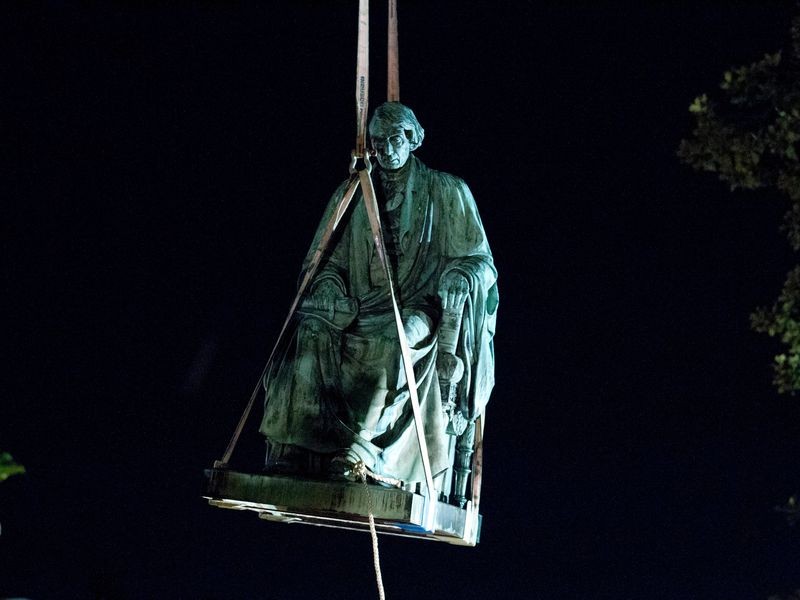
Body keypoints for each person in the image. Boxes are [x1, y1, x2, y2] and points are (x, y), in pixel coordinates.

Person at [259, 102, 497, 485]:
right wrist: (330, 290)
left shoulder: (448, 191)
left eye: (394, 140)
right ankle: (296, 447)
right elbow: (325, 262)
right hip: (359, 308)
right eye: (377, 143)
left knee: (395, 339)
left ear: (412, 139)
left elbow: (480, 261)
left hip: (421, 307)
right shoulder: (352, 193)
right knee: (309, 332)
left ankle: (361, 450)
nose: (386, 150)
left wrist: (461, 275)